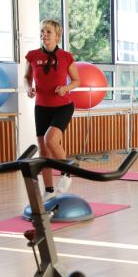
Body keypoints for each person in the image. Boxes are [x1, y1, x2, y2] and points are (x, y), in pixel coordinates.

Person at [24, 19, 80, 198]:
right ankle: (48, 191)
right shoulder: (32, 55)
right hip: (41, 107)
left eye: (48, 32)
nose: (44, 35)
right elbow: (27, 77)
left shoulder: (66, 56)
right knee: (43, 149)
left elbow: (77, 81)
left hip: (63, 106)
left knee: (51, 139)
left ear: (57, 35)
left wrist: (65, 88)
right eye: (42, 31)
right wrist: (28, 88)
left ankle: (66, 172)